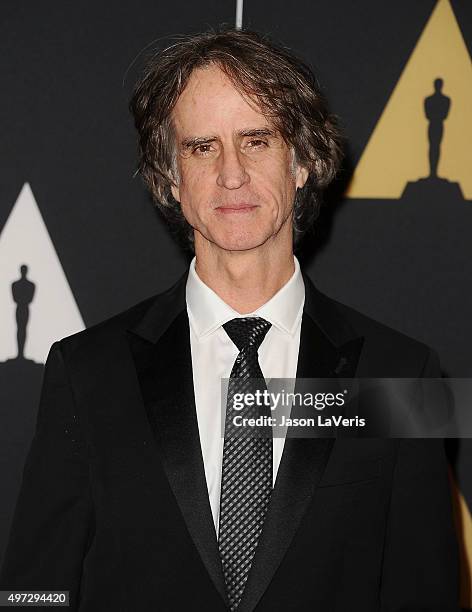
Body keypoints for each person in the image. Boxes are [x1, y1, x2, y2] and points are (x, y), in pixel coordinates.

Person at [0, 28, 459, 611]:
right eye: (202, 147)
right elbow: (33, 590)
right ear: (170, 178)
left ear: (304, 162)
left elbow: (424, 592)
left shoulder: (402, 374)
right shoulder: (87, 370)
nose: (232, 173)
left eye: (257, 140)